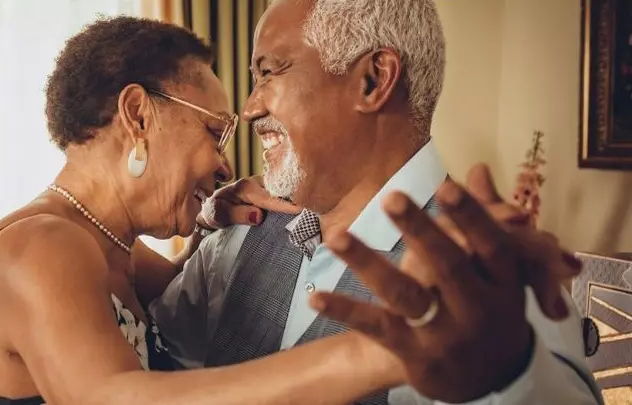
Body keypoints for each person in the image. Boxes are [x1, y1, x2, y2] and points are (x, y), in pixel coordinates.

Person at [143, 0, 604, 404]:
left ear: (372, 81)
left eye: (269, 71)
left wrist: (512, 379)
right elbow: (147, 362)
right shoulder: (236, 234)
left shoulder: (486, 279)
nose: (249, 108)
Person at [0, 16, 412, 405]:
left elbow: (189, 311)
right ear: (139, 114)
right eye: (214, 133)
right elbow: (116, 395)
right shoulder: (42, 248)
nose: (226, 166)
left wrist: (207, 222)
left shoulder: (114, 251)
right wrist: (381, 353)